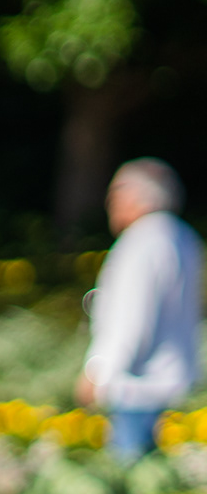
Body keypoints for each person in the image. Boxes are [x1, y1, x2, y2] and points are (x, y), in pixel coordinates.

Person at [76, 157, 204, 461]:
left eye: (115, 194)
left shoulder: (141, 242)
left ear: (135, 196)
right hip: (178, 381)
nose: (110, 203)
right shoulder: (183, 237)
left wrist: (98, 371)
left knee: (134, 485)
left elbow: (131, 319)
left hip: (138, 388)